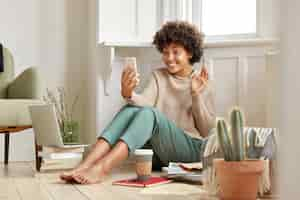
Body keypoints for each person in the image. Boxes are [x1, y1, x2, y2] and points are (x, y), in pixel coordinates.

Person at [60, 21, 216, 184]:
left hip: (190, 151)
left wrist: (195, 95)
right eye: (165, 52)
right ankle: (84, 165)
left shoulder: (201, 81)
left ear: (190, 53)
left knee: (149, 114)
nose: (169, 58)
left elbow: (207, 131)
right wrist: (128, 93)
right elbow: (144, 102)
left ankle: (102, 169)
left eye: (176, 52)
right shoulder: (159, 76)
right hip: (159, 155)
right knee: (131, 109)